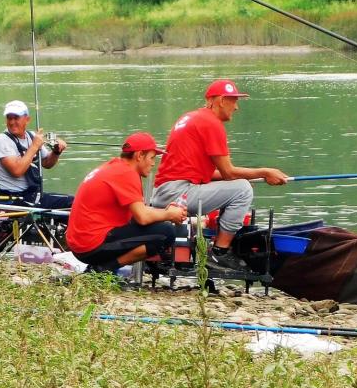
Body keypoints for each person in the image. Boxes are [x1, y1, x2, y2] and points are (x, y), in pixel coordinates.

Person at [149, 79, 289, 273]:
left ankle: (216, 248)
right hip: (178, 194)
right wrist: (265, 172)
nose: (236, 107)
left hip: (163, 192)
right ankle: (219, 253)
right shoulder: (211, 123)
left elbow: (209, 174)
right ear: (221, 101)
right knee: (243, 190)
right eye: (234, 101)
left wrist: (241, 178)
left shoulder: (192, 117)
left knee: (239, 185)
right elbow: (228, 172)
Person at [66, 132, 187, 272]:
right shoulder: (127, 173)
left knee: (155, 224)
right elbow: (142, 217)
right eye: (152, 158)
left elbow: (139, 211)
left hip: (79, 242)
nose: (154, 163)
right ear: (139, 155)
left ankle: (103, 267)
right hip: (90, 245)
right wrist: (169, 214)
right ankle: (104, 268)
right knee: (166, 233)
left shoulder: (116, 167)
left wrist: (166, 212)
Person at [0, 99, 72, 208]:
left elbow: (47, 163)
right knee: (71, 203)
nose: (12, 122)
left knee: (74, 201)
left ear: (27, 119)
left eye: (16, 118)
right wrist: (34, 146)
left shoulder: (32, 136)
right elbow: (17, 171)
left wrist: (56, 151)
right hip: (13, 200)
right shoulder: (2, 141)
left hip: (34, 196)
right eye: (9, 118)